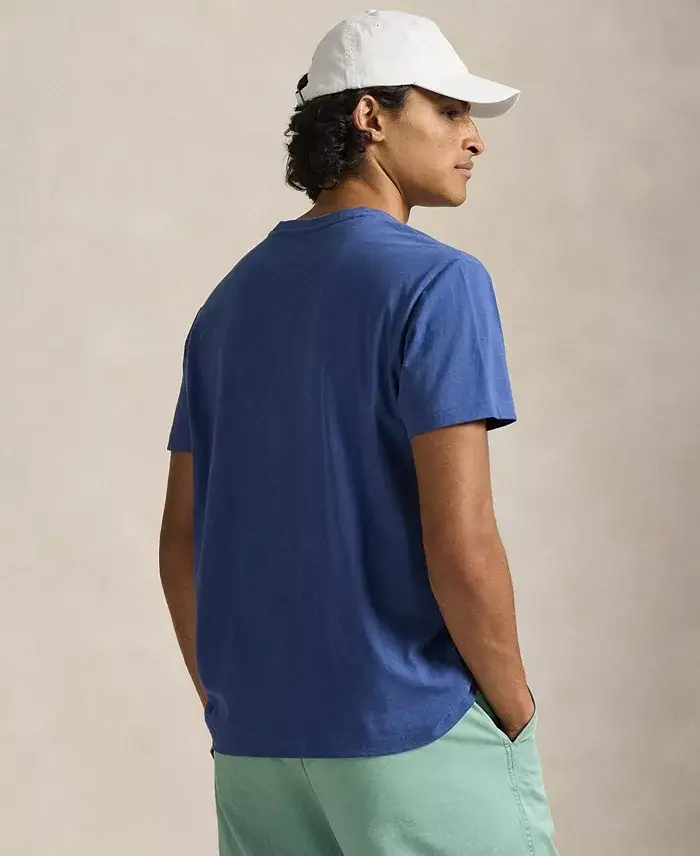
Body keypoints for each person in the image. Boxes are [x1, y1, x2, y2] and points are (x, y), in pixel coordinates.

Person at [159, 9, 559, 855]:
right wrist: (514, 707)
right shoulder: (438, 283)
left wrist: (234, 703)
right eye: (448, 109)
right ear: (370, 116)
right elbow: (462, 542)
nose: (474, 138)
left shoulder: (227, 304)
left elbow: (180, 539)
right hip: (411, 733)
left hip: (258, 750)